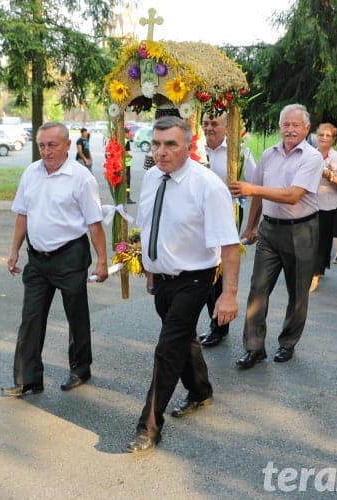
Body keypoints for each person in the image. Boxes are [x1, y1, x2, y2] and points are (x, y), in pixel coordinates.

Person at [126, 116, 240, 453]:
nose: (161, 152)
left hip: (194, 279)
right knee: (183, 340)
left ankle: (149, 426)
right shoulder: (151, 178)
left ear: (188, 146)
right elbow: (149, 227)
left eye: (170, 144)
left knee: (167, 349)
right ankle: (200, 390)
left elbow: (230, 246)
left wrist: (229, 295)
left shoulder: (208, 186)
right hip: (163, 281)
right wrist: (149, 271)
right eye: (157, 144)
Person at [5, 122, 108, 397]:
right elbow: (22, 214)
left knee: (76, 314)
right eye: (42, 145)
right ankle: (28, 379)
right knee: (31, 317)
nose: (46, 151)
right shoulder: (31, 173)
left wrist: (102, 261)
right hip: (37, 259)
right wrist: (14, 250)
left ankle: (80, 368)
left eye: (52, 145)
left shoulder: (81, 178)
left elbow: (94, 223)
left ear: (67, 145)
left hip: (70, 256)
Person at [228, 104, 321, 369]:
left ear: (306, 128)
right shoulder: (268, 155)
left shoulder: (312, 158)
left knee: (297, 290)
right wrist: (251, 225)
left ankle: (287, 342)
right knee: (258, 288)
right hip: (269, 230)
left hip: (301, 230)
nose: (290, 129)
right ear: (280, 127)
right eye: (285, 124)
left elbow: (292, 196)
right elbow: (258, 195)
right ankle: (254, 348)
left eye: (295, 125)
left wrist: (251, 188)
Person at [198, 111, 257, 347]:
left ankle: (219, 327)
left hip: (225, 217)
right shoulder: (195, 148)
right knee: (200, 271)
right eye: (206, 123)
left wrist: (242, 191)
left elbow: (254, 183)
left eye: (215, 123)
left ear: (226, 126)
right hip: (197, 219)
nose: (209, 127)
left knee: (220, 275)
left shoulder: (238, 152)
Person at [310, 123, 337, 292]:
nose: (324, 138)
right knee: (310, 238)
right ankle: (319, 266)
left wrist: (330, 176)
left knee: (322, 239)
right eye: (321, 135)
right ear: (315, 137)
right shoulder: (310, 155)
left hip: (328, 204)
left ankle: (315, 274)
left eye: (327, 135)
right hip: (309, 203)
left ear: (333, 139)